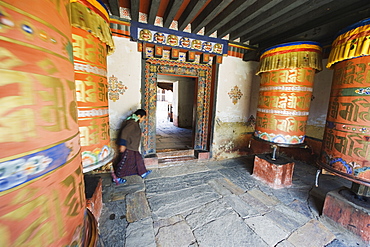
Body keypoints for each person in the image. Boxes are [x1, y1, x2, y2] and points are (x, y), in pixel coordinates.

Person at [112, 109, 151, 184]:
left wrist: (140, 134)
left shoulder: (134, 122)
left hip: (133, 146)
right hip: (128, 147)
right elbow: (124, 132)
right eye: (143, 118)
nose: (143, 120)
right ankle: (116, 178)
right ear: (139, 116)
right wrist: (122, 145)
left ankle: (142, 173)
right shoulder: (132, 122)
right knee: (123, 162)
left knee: (138, 160)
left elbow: (132, 132)